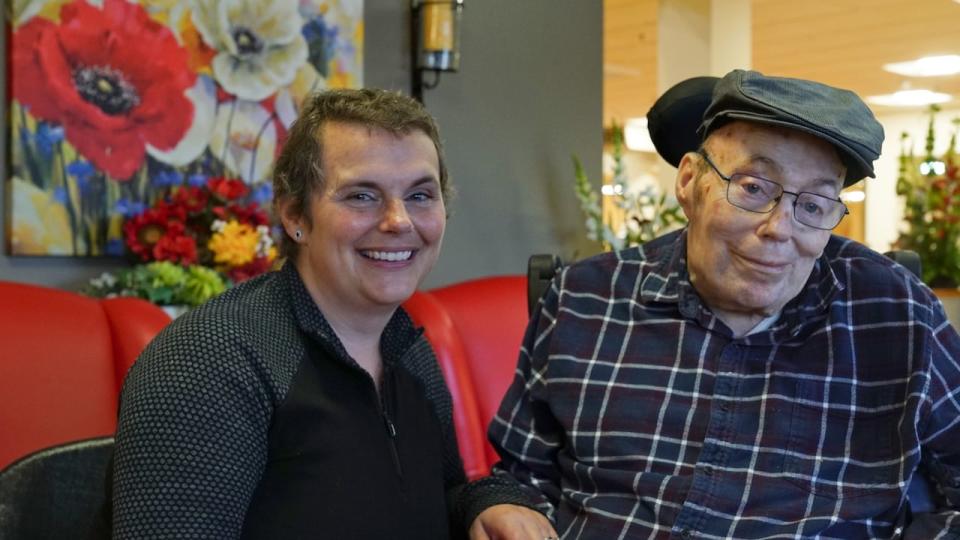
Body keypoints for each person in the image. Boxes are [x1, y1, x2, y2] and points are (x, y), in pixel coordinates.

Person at [486, 70, 960, 538]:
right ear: (691, 182)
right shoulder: (584, 299)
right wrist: (501, 503)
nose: (780, 228)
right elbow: (520, 476)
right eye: (753, 188)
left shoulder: (897, 311)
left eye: (814, 205)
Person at [107, 88, 554, 539]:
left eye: (420, 195)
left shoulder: (409, 351)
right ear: (296, 215)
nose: (399, 221)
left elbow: (434, 499)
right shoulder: (207, 362)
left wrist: (486, 502)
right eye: (362, 196)